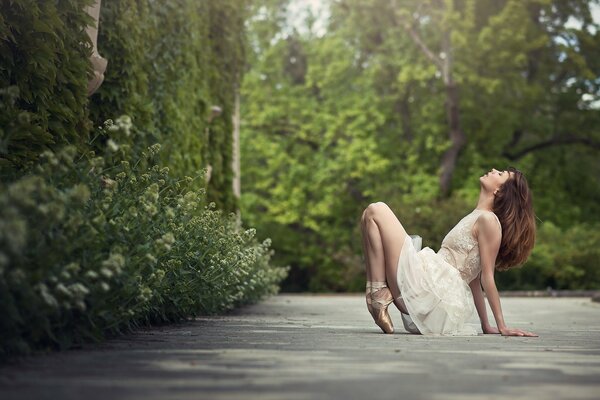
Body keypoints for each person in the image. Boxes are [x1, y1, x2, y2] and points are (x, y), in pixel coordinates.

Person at [360, 167, 538, 337]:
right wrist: (485, 325)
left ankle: (377, 295)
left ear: (499, 191)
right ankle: (378, 294)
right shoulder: (477, 216)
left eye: (499, 173)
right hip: (427, 287)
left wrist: (502, 326)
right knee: (369, 216)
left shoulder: (489, 221)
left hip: (432, 293)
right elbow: (474, 279)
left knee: (377, 210)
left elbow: (486, 276)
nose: (492, 170)